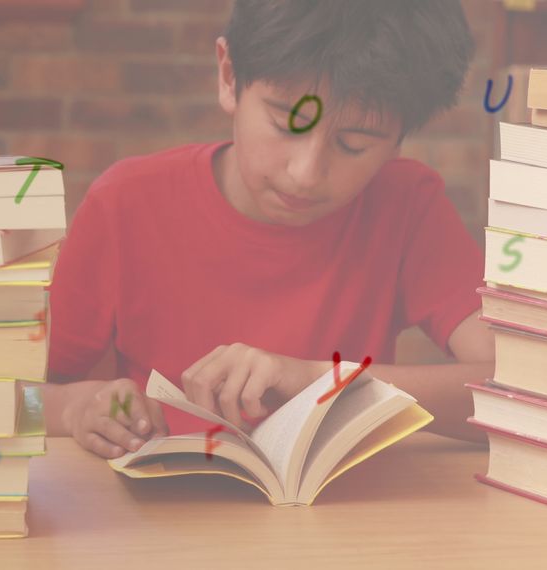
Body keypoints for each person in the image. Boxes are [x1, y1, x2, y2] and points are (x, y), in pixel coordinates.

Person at [42, 0, 496, 459]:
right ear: (228, 76)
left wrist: (324, 382)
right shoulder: (126, 204)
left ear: (400, 138)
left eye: (353, 145)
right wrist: (76, 408)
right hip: (158, 517)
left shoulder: (405, 206)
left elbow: (530, 394)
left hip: (346, 520)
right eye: (286, 123)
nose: (305, 173)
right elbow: (9, 395)